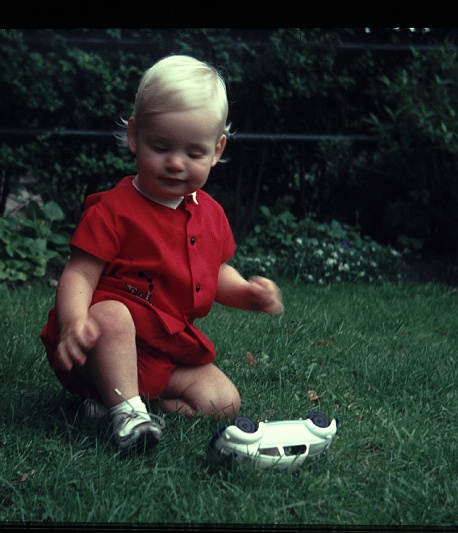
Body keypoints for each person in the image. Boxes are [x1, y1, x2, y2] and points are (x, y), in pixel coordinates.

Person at [40, 54, 284, 453]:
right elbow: (80, 275)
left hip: (163, 351)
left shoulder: (211, 214)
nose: (175, 163)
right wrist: (72, 323)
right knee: (112, 314)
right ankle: (127, 413)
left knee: (223, 402)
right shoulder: (115, 210)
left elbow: (215, 272)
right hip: (104, 342)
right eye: (160, 146)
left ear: (217, 149)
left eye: (193, 152)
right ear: (135, 136)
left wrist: (247, 294)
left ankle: (126, 401)